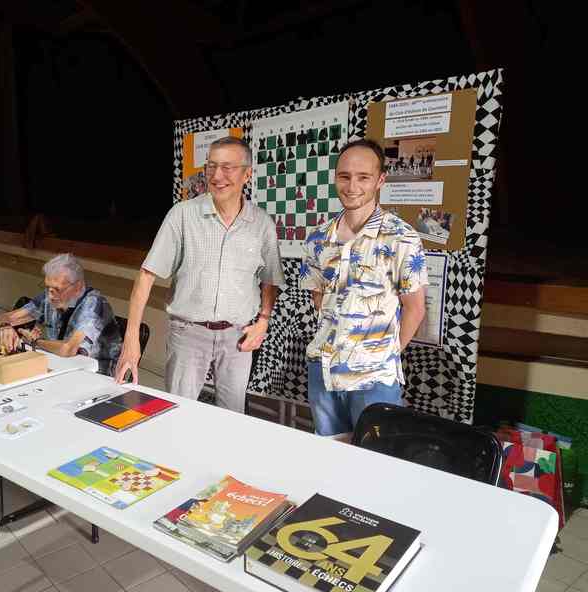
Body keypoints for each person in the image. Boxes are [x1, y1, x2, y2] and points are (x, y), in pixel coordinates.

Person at [114, 136, 284, 413]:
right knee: (178, 412)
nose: (217, 176)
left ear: (247, 174)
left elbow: (269, 278)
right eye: (211, 166)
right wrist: (131, 338)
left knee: (233, 417)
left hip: (237, 337)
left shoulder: (262, 224)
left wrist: (263, 320)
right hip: (188, 333)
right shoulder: (182, 215)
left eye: (228, 168)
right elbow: (146, 275)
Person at [300, 139, 428, 436]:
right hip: (324, 373)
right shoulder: (318, 239)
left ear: (380, 180)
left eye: (363, 177)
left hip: (374, 381)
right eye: (344, 176)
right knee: (330, 461)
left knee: (375, 466)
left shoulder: (402, 238)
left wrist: (380, 355)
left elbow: (415, 308)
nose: (352, 185)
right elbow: (319, 299)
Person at [0, 254, 121, 376]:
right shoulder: (50, 296)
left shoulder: (94, 304)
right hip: (61, 365)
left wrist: (35, 341)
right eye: (48, 288)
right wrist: (6, 327)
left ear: (77, 287)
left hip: (96, 375)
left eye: (57, 289)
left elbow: (68, 349)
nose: (50, 296)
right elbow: (5, 318)